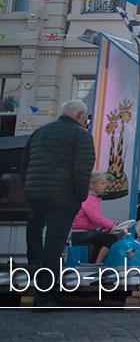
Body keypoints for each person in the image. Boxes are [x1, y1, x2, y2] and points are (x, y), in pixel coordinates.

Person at [21, 100, 96, 281]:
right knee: (54, 243)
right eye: (84, 117)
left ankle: (33, 267)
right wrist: (80, 196)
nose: (85, 121)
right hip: (63, 196)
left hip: (35, 194)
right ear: (79, 115)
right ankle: (45, 293)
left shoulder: (39, 132)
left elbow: (24, 163)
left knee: (34, 231)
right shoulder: (81, 135)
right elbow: (83, 168)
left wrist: (28, 188)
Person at [71, 171, 118, 264]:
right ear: (92, 185)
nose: (104, 186)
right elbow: (95, 218)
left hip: (80, 233)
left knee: (103, 237)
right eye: (102, 183)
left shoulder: (86, 197)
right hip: (83, 234)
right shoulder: (90, 198)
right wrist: (113, 225)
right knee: (112, 239)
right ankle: (98, 263)